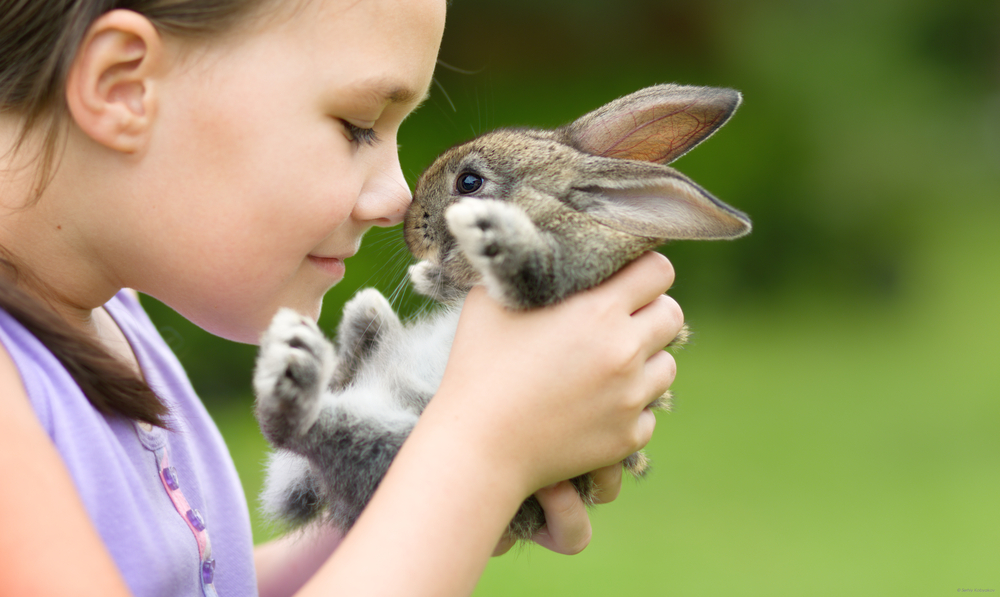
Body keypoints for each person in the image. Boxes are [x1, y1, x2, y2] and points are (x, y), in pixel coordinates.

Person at [0, 0, 684, 595]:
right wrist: (478, 456)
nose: (397, 196)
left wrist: (421, 493)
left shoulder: (107, 316)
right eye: (357, 123)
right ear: (124, 86)